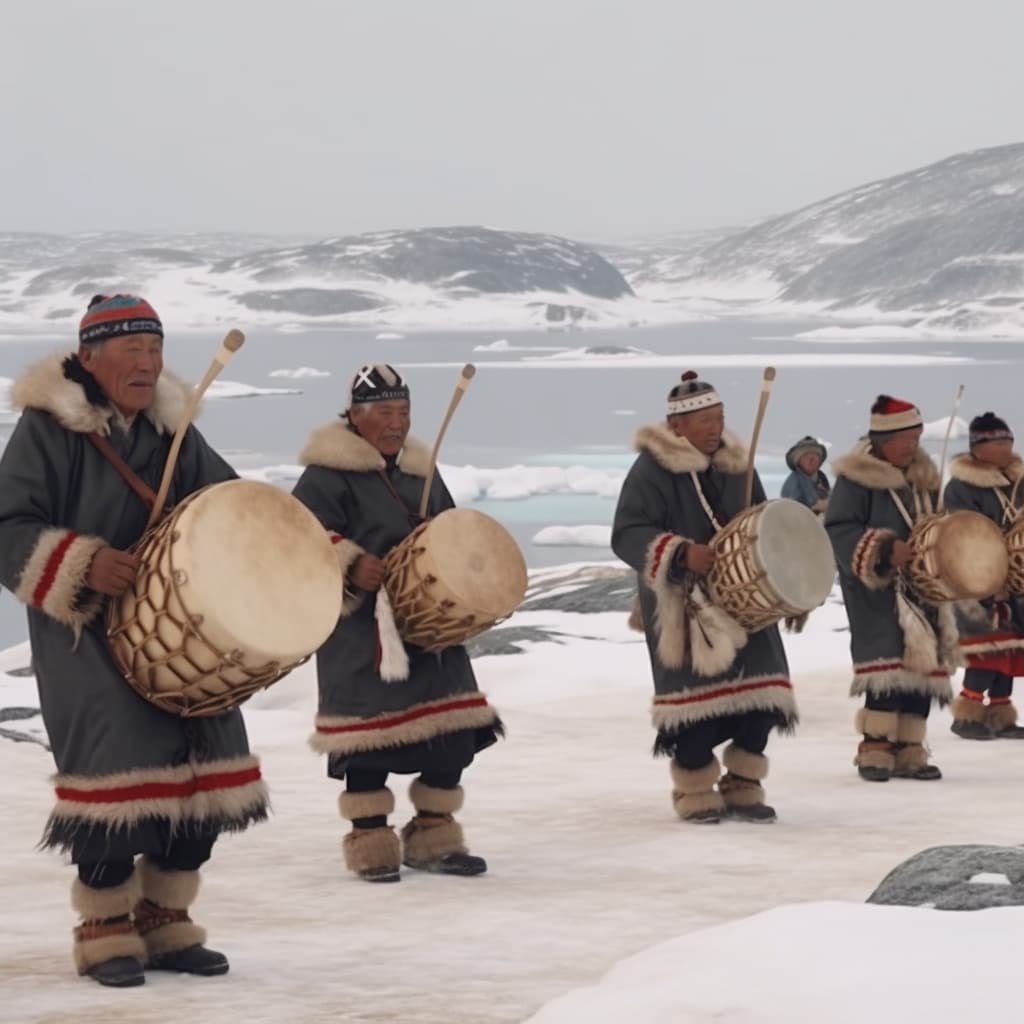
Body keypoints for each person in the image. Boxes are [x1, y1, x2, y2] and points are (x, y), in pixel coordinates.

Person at [0, 296, 267, 987]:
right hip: (86, 638)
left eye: (155, 349)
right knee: (115, 792)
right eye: (132, 351)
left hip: (187, 636)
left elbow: (226, 504)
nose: (148, 364)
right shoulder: (46, 430)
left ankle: (164, 921)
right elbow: (8, 525)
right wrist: (84, 564)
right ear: (89, 358)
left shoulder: (172, 432)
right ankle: (104, 930)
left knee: (207, 784)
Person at [291, 364, 501, 882]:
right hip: (361, 629)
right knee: (367, 743)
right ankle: (370, 842)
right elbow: (297, 538)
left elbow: (449, 530)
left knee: (450, 735)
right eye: (384, 412)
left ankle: (434, 836)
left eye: (403, 412)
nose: (396, 423)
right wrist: (349, 560)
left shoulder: (419, 471)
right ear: (356, 416)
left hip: (428, 631)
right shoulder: (326, 474)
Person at [611, 371, 798, 825]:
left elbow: (767, 527)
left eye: (719, 419)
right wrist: (680, 553)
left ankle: (743, 785)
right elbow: (627, 534)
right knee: (695, 714)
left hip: (747, 604)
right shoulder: (651, 470)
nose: (715, 429)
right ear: (678, 427)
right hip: (685, 606)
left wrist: (790, 582)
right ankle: (694, 791)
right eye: (704, 421)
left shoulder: (739, 463)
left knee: (762, 700)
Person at [824, 395, 954, 782]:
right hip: (876, 589)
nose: (910, 445)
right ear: (881, 440)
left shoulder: (925, 475)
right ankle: (876, 748)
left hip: (922, 588)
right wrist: (883, 549)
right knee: (886, 665)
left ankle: (911, 749)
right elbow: (838, 529)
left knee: (922, 667)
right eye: (902, 438)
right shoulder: (856, 477)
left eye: (915, 436)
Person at [943, 412, 1024, 739]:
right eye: (999, 442)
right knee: (985, 648)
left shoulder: (1019, 482)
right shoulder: (961, 487)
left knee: (1011, 646)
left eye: (1009, 441)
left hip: (1015, 579)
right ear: (979, 447)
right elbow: (965, 530)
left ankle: (1000, 715)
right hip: (977, 576)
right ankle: (968, 715)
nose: (1007, 447)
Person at [780, 435, 830, 514]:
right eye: (805, 457)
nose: (810, 460)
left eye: (814, 456)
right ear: (798, 461)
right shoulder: (793, 482)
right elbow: (795, 513)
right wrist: (816, 507)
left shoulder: (822, 478)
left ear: (819, 460)